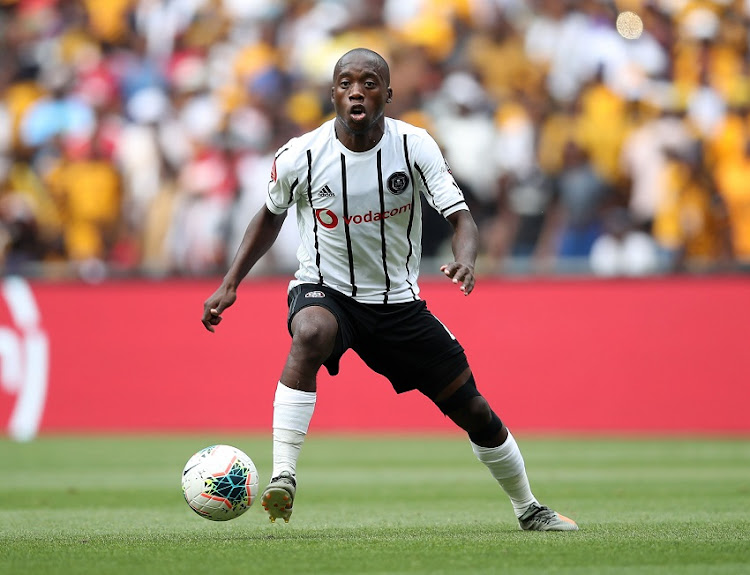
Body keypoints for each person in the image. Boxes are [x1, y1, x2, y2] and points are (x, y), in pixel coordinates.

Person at [201, 48, 578, 531]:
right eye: (345, 83)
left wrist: (465, 259)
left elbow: (460, 216)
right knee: (311, 331)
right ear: (333, 94)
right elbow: (269, 216)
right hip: (326, 289)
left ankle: (529, 508)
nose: (357, 90)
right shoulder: (302, 154)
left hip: (399, 305)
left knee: (475, 411)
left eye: (369, 82)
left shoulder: (414, 146)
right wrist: (230, 284)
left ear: (388, 94)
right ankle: (284, 477)